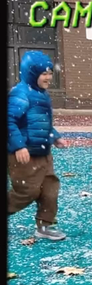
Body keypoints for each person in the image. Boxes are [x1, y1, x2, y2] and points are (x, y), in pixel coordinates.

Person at [7, 50, 67, 240]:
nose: (48, 77)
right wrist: (18, 146)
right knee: (27, 191)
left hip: (43, 152)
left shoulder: (42, 95)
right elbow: (9, 120)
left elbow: (42, 121)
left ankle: (44, 225)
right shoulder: (21, 93)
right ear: (32, 74)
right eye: (44, 73)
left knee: (50, 188)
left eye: (50, 73)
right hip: (23, 155)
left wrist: (54, 137)